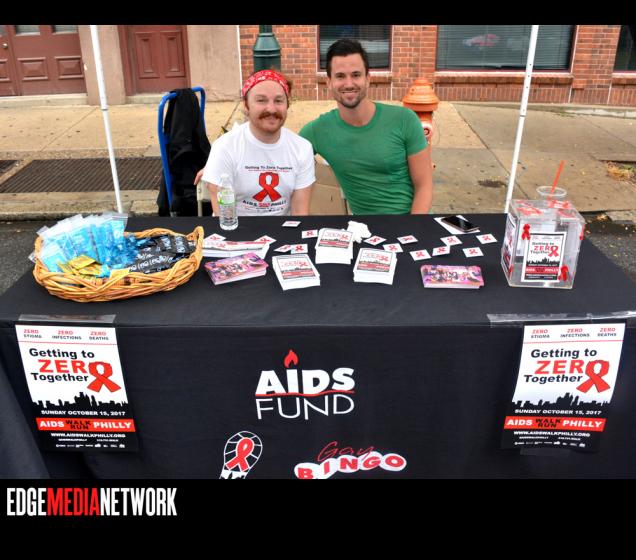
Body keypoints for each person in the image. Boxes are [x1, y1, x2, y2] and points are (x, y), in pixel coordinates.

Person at [300, 39, 433, 215]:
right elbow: (283, 160)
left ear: (368, 79)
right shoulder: (317, 131)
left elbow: (424, 186)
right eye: (340, 76)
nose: (349, 84)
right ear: (329, 82)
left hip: (413, 221)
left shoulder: (404, 119)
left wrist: (412, 227)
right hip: (362, 228)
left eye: (356, 75)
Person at [195, 70, 315, 216]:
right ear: (246, 105)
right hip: (236, 227)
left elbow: (299, 214)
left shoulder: (302, 148)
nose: (271, 109)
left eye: (278, 101)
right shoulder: (225, 147)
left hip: (283, 228)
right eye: (261, 100)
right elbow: (225, 217)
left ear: (287, 105)